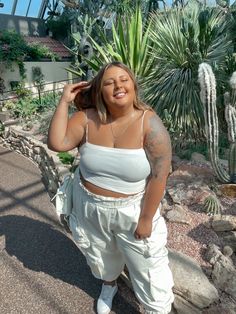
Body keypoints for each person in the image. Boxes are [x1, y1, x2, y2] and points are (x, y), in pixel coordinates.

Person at [47, 61, 174, 314]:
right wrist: (63, 101)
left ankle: (155, 309)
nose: (118, 85)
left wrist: (147, 218)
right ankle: (109, 285)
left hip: (133, 210)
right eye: (109, 82)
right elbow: (57, 143)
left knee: (149, 269)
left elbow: (160, 176)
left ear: (133, 86)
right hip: (90, 207)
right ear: (99, 90)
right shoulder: (86, 119)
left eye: (123, 79)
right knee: (101, 255)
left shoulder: (149, 124)